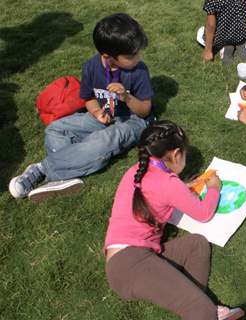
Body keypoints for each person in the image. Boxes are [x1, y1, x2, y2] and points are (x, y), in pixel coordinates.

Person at [104, 120, 244, 320]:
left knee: (197, 244)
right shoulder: (168, 183)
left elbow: (155, 192)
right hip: (129, 266)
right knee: (203, 311)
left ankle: (196, 299)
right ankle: (202, 308)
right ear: (177, 153)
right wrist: (214, 188)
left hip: (129, 258)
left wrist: (183, 187)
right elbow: (204, 214)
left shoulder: (137, 170)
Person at [9, 13, 154, 202]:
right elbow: (88, 98)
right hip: (103, 116)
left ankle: (42, 169)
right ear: (107, 56)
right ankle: (65, 174)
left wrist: (126, 97)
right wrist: (95, 112)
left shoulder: (139, 70)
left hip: (133, 121)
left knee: (103, 140)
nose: (137, 57)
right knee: (56, 129)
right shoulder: (91, 67)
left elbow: (145, 110)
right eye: (130, 55)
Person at [201, 0, 246, 64]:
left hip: (224, 37)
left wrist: (208, 50)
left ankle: (226, 46)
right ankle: (242, 45)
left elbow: (211, 25)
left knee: (202, 33)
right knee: (241, 33)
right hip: (245, 34)